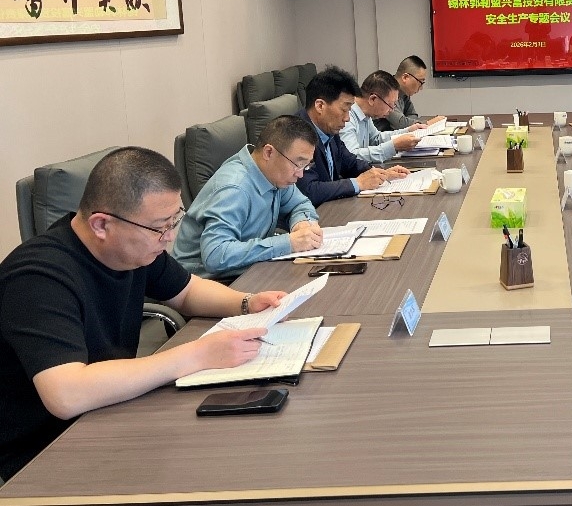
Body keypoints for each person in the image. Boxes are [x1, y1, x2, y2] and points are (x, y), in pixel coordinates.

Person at [0, 147, 285, 481]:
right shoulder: (37, 277)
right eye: (160, 228)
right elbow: (66, 394)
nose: (170, 238)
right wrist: (197, 354)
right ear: (101, 224)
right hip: (44, 454)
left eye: (174, 221)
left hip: (110, 411)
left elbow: (187, 291)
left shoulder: (132, 248)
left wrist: (247, 302)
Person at [173, 115, 323, 278]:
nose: (300, 174)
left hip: (247, 269)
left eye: (305, 165)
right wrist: (289, 243)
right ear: (269, 152)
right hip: (207, 281)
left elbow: (300, 204)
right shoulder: (234, 189)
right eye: (298, 164)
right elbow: (215, 255)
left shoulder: (275, 175)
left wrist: (301, 223)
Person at [296, 65, 407, 206]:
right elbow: (309, 190)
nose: (347, 118)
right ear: (320, 106)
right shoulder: (297, 135)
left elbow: (349, 162)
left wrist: (380, 174)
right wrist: (357, 183)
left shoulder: (328, 129)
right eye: (344, 110)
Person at [340, 70, 429, 163]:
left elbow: (376, 138)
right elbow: (352, 156)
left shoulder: (365, 114)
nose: (392, 110)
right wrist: (394, 146)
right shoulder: (347, 117)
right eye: (390, 104)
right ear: (373, 99)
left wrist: (408, 131)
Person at [373, 55, 443, 132]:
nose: (421, 88)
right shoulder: (386, 90)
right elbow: (400, 124)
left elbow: (413, 115)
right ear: (405, 77)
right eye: (420, 82)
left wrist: (411, 123)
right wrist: (428, 123)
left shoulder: (404, 93)